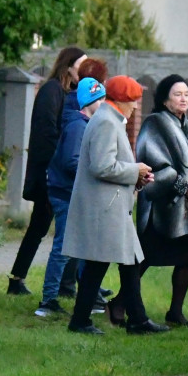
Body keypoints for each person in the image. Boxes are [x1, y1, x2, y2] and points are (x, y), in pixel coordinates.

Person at [63, 75, 161, 335]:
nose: (136, 106)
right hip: (106, 208)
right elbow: (102, 166)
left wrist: (136, 177)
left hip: (111, 205)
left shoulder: (110, 119)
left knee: (127, 261)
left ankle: (135, 320)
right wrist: (135, 170)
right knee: (103, 264)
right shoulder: (107, 122)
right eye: (134, 100)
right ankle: (82, 320)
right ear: (122, 100)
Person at [134, 74, 188, 327]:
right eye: (177, 94)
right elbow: (154, 166)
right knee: (144, 258)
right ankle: (119, 305)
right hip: (160, 210)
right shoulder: (154, 124)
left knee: (186, 258)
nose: (183, 99)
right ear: (164, 99)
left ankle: (176, 312)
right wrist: (184, 187)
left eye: (186, 94)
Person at [10, 46, 86, 295]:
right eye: (80, 66)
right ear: (68, 66)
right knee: (40, 226)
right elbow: (45, 134)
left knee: (57, 228)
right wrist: (57, 165)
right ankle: (18, 279)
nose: (83, 71)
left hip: (57, 172)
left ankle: (65, 282)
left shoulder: (68, 92)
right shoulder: (51, 91)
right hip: (50, 173)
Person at [37, 77, 106, 317]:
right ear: (91, 101)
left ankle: (91, 294)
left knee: (84, 246)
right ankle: (48, 300)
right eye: (101, 99)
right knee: (64, 247)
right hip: (66, 194)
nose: (104, 103)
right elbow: (71, 162)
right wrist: (95, 174)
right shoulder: (78, 126)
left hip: (72, 193)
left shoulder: (82, 123)